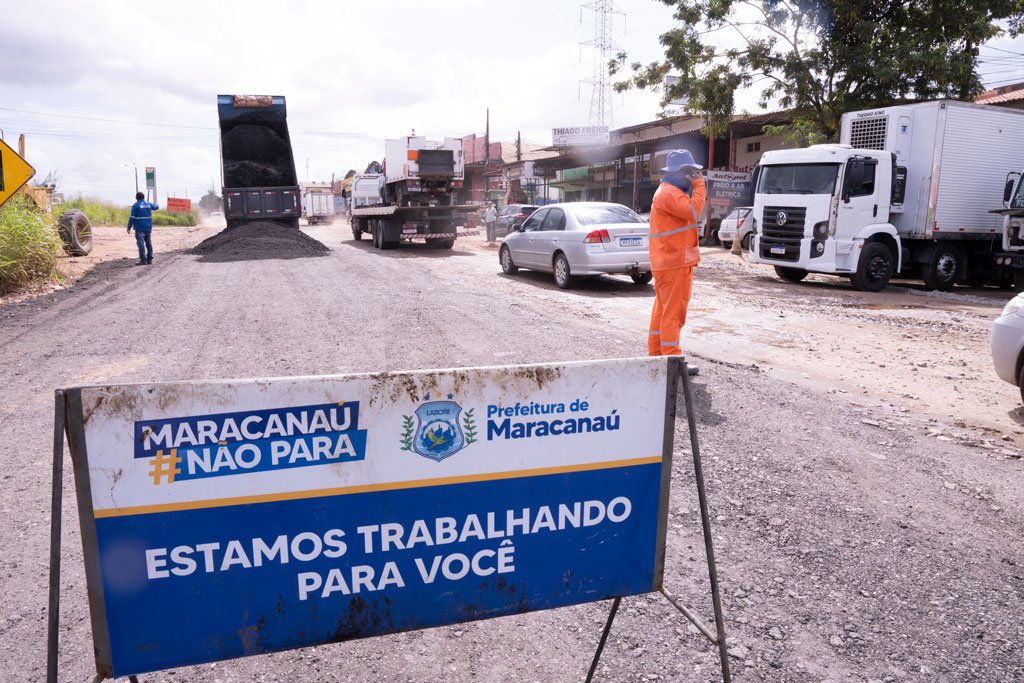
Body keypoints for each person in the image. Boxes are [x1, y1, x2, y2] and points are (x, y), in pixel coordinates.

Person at [647, 150, 707, 369]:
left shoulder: (667, 191)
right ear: (680, 172)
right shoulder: (671, 193)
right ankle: (672, 362)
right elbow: (693, 211)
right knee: (673, 314)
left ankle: (657, 358)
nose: (693, 175)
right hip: (674, 263)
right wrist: (700, 185)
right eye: (690, 171)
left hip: (668, 262)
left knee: (662, 312)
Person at [127, 192, 160, 265]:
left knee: (141, 244)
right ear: (143, 197)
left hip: (139, 228)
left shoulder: (136, 205)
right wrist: (154, 203)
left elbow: (132, 217)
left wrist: (128, 227)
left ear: (136, 198)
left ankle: (143, 260)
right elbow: (156, 206)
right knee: (148, 243)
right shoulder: (148, 204)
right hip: (148, 227)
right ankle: (150, 259)